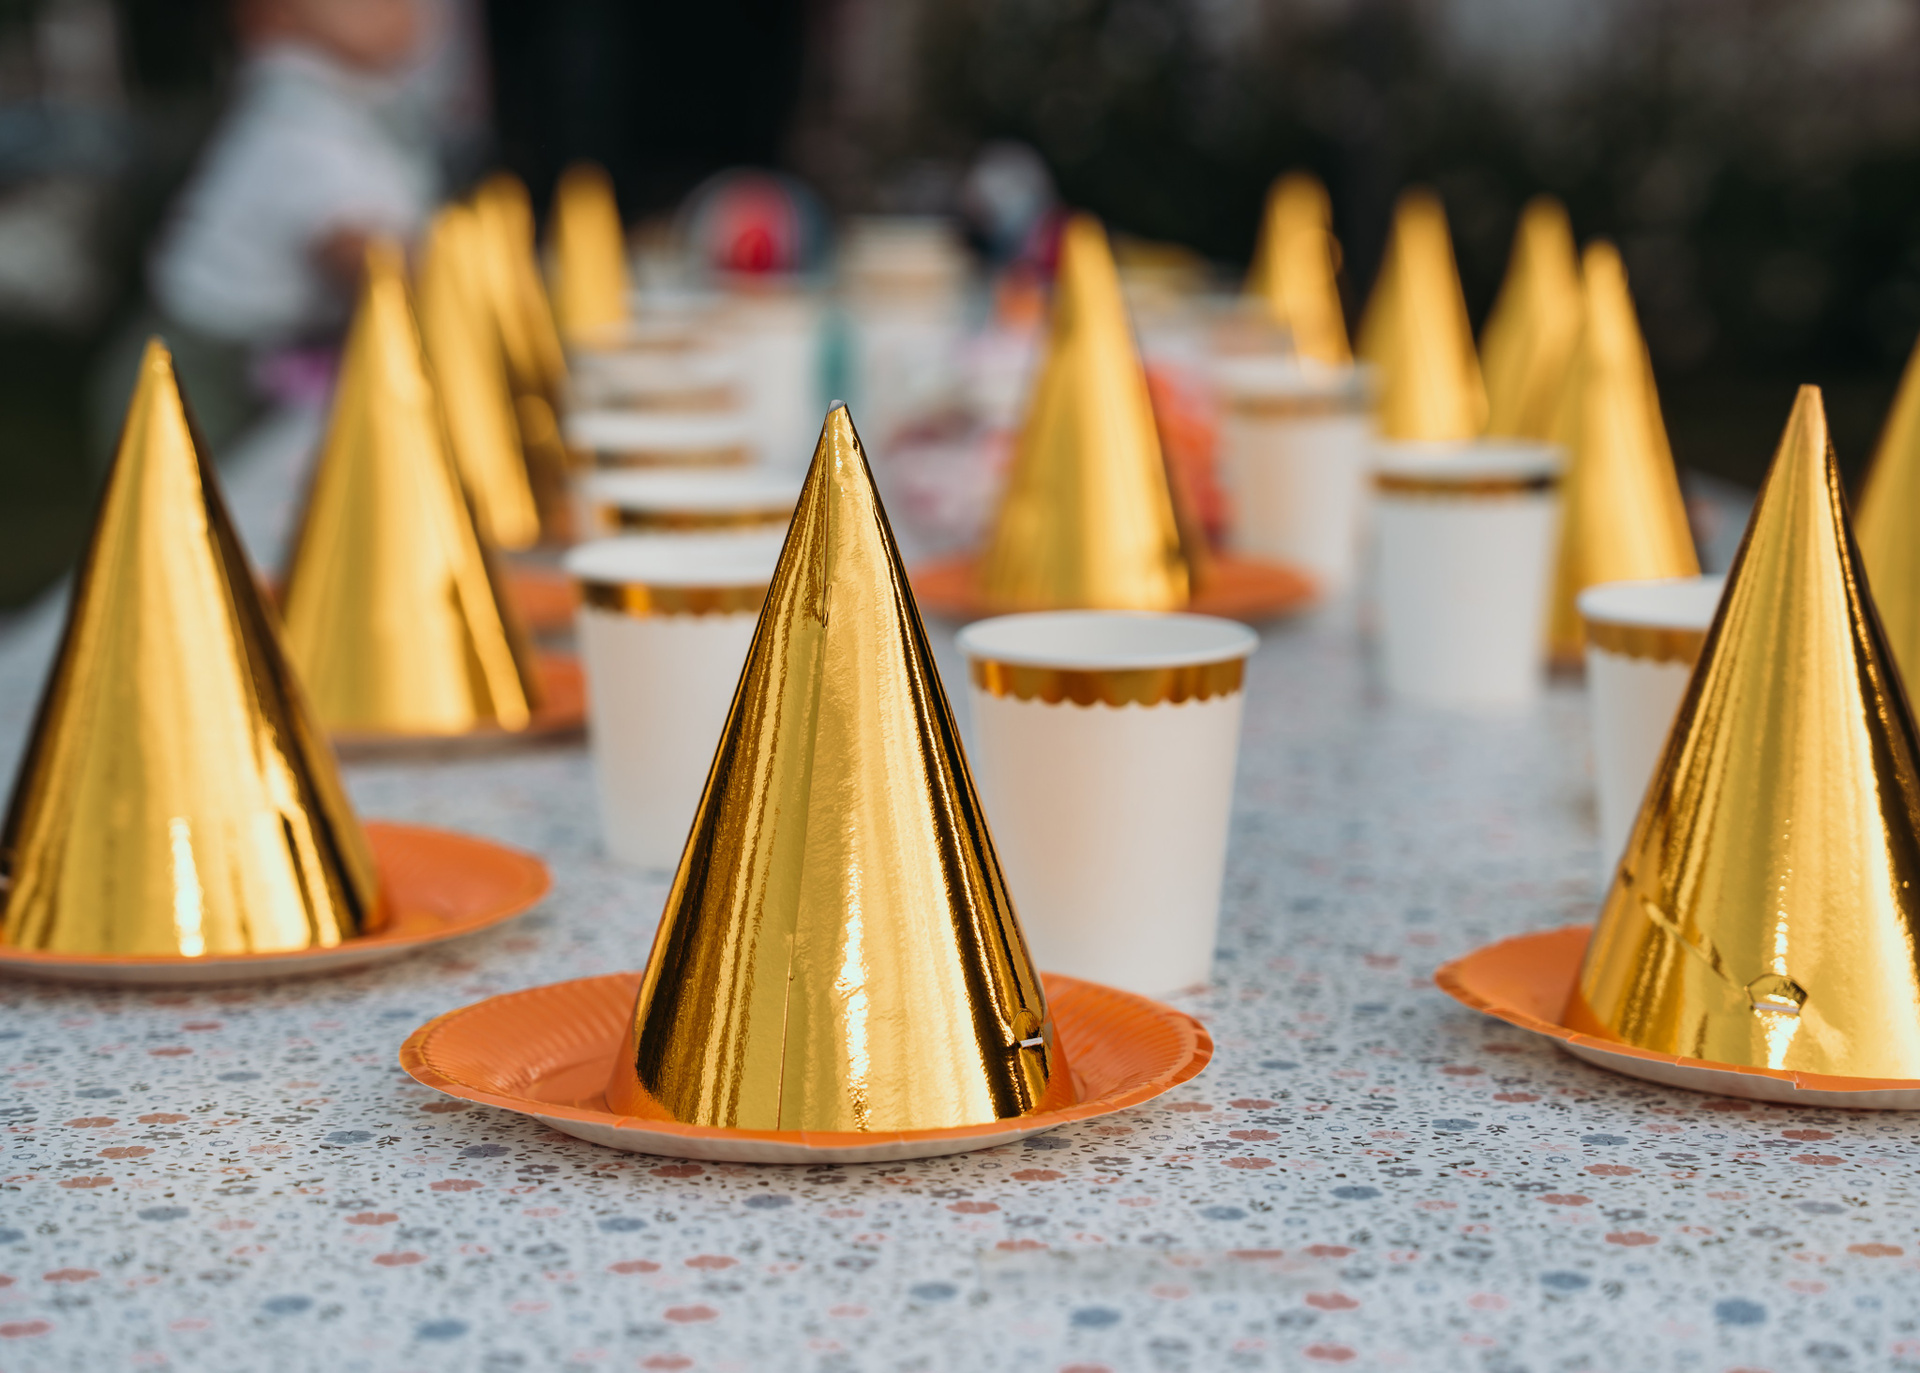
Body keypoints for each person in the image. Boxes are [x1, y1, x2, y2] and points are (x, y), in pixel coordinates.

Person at [94, 0, 437, 458]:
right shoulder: (298, 121)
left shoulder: (351, 97)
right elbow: (372, 264)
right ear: (271, 14)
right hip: (204, 373)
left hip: (264, 355)